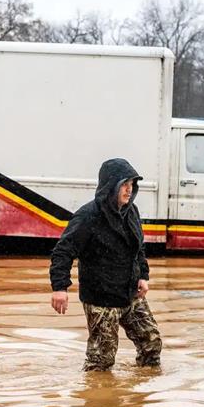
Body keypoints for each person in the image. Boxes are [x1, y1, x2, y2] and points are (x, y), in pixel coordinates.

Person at [49, 158, 162, 371]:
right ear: (111, 186)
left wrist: (143, 276)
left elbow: (138, 248)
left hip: (130, 293)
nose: (129, 190)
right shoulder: (88, 216)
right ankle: (96, 399)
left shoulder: (132, 211)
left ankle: (142, 395)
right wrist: (59, 288)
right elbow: (62, 252)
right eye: (124, 185)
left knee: (152, 343)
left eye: (132, 185)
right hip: (101, 299)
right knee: (101, 361)